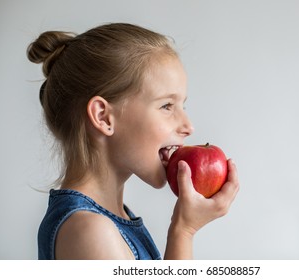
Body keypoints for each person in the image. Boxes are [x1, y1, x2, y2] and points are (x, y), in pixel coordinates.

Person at [27, 23, 239, 260]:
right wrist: (184, 230)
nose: (189, 126)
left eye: (183, 105)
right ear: (103, 117)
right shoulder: (90, 230)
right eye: (167, 106)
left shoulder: (112, 219)